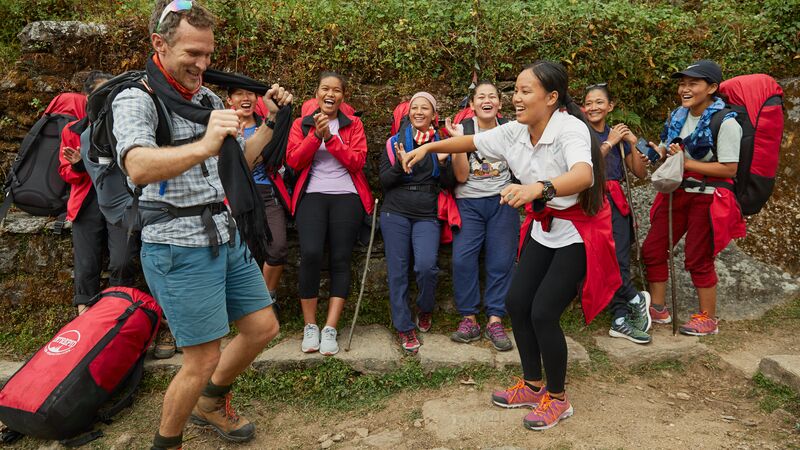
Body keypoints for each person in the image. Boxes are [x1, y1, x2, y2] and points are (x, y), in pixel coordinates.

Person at [402, 61, 620, 430]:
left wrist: (539, 188)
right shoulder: (516, 131)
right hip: (544, 227)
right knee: (518, 303)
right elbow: (471, 141)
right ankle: (533, 385)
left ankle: (557, 398)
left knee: (543, 313)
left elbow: (583, 174)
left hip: (578, 233)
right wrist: (428, 148)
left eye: (525, 91)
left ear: (551, 97)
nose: (515, 98)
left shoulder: (570, 129)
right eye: (515, 91)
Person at [112, 1, 291, 448]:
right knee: (201, 358)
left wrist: (269, 122)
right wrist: (206, 142)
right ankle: (165, 442)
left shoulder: (208, 98)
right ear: (159, 42)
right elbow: (137, 165)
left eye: (208, 54)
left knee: (262, 328)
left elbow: (234, 164)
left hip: (224, 234)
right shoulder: (138, 98)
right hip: (177, 246)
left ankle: (210, 404)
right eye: (192, 53)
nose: (202, 64)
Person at [642, 60, 745, 336]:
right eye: (682, 83)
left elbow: (729, 168)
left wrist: (686, 163)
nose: (685, 89)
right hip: (677, 192)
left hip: (708, 197)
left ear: (712, 88)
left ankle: (707, 318)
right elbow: (669, 147)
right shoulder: (678, 115)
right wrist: (657, 152)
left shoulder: (725, 122)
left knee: (699, 257)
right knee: (652, 248)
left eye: (693, 83)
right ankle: (658, 309)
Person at [286, 71, 374, 356]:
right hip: (312, 195)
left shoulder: (354, 125)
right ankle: (310, 326)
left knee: (340, 258)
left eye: (337, 90)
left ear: (342, 97)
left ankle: (330, 328)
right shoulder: (301, 124)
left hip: (346, 196)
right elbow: (294, 161)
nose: (331, 94)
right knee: (310, 253)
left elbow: (357, 161)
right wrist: (315, 136)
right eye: (325, 88)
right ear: (316, 94)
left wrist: (332, 139)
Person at [444, 81, 517, 352]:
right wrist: (456, 142)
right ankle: (469, 319)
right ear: (472, 104)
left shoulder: (511, 129)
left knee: (501, 260)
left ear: (499, 103)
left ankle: (495, 319)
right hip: (469, 203)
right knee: (463, 259)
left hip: (503, 201)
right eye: (481, 97)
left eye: (492, 96)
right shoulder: (463, 130)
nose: (487, 100)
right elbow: (461, 176)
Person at [380, 92, 455, 352]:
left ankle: (424, 308)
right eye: (415, 108)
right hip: (395, 212)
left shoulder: (441, 144)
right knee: (398, 272)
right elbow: (384, 181)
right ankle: (404, 327)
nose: (419, 112)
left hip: (427, 212)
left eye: (426, 108)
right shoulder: (394, 143)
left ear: (434, 115)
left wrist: (445, 164)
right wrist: (401, 166)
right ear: (408, 113)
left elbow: (449, 184)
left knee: (426, 267)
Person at [59, 71, 138, 316]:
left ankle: (118, 308)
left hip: (120, 201)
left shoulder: (126, 128)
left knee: (123, 259)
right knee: (86, 263)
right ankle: (85, 317)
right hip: (86, 202)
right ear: (87, 98)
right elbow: (64, 173)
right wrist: (77, 165)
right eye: (99, 94)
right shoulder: (73, 131)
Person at [582, 83, 652, 344]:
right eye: (588, 103)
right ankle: (634, 298)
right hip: (591, 201)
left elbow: (640, 173)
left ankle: (620, 318)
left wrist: (632, 143)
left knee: (619, 260)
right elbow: (587, 165)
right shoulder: (582, 134)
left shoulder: (617, 136)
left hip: (615, 202)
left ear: (610, 106)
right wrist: (610, 143)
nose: (593, 107)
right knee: (599, 260)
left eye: (599, 102)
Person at [227, 87, 291, 305]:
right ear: (229, 100)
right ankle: (248, 306)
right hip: (234, 195)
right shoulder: (223, 127)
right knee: (242, 252)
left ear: (257, 99)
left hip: (265, 192)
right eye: (238, 94)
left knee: (278, 247)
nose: (245, 98)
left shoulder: (269, 125)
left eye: (250, 94)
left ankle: (265, 299)